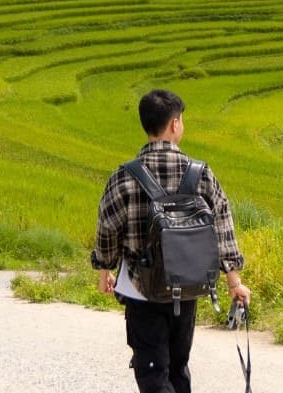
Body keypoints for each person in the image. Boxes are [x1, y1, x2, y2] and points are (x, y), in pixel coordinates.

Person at [92, 88, 251, 393]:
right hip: (187, 286)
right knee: (178, 368)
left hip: (141, 290)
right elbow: (223, 226)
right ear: (175, 124)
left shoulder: (124, 176)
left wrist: (104, 272)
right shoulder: (200, 173)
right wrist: (234, 282)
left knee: (152, 372)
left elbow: (107, 228)